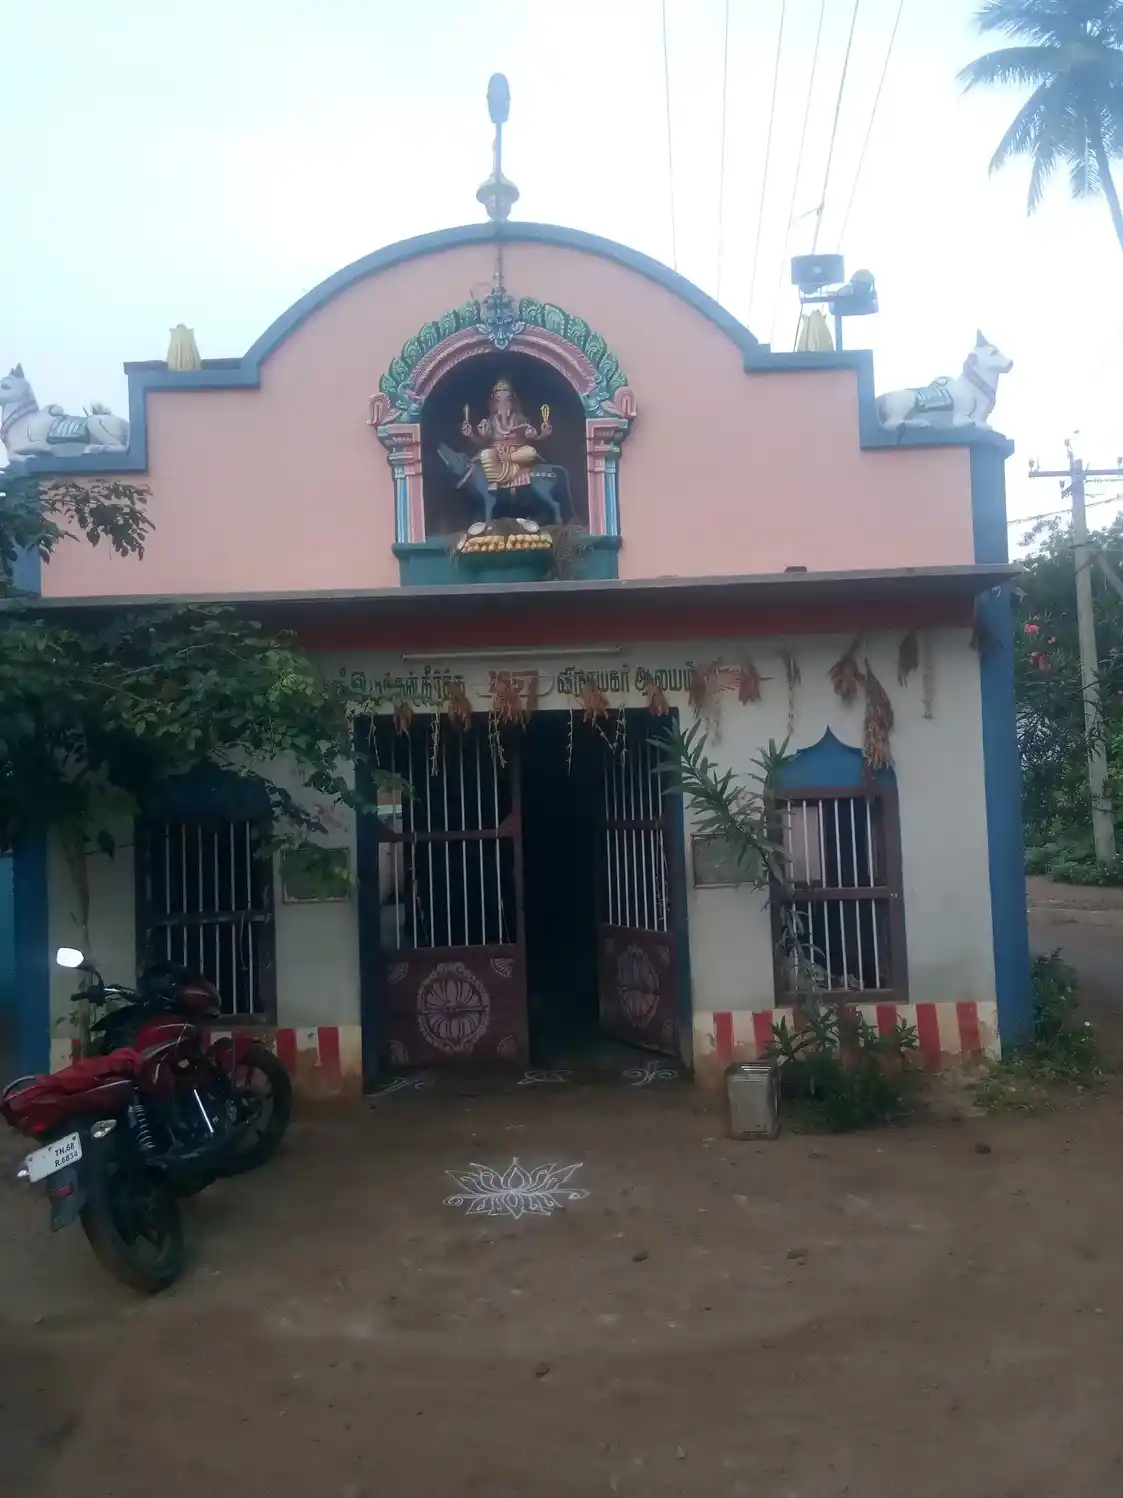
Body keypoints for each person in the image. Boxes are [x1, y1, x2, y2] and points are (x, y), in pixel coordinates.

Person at [461, 377, 551, 489]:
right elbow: (481, 442)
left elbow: (532, 438)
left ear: (513, 402)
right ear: (493, 404)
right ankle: (514, 474)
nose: (503, 404)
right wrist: (471, 434)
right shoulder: (489, 422)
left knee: (530, 452)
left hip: (516, 455)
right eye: (498, 400)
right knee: (485, 454)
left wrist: (542, 434)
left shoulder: (521, 420)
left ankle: (497, 478)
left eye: (507, 400)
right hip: (496, 455)